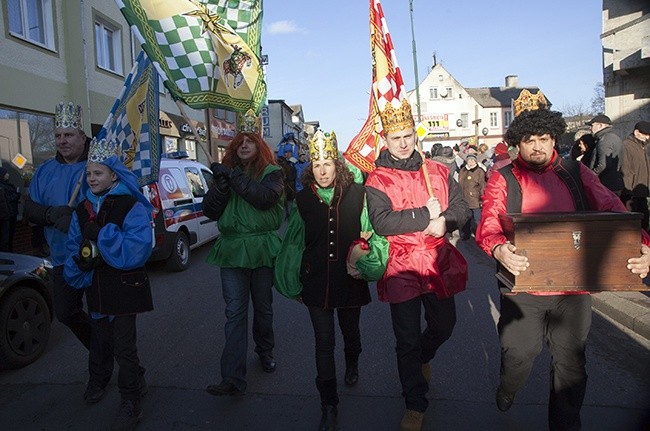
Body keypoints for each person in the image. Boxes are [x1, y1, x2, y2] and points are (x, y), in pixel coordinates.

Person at [476, 108, 650, 431]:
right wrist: (499, 247)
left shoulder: (577, 172)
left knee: (571, 368)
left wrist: (643, 243)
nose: (538, 147)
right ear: (518, 143)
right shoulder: (503, 178)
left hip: (572, 288)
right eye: (529, 140)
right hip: (523, 287)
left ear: (554, 137)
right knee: (519, 355)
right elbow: (488, 221)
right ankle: (508, 386)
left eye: (544, 139)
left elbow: (612, 207)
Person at [364, 98, 471, 431]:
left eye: (408, 135)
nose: (403, 143)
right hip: (402, 267)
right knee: (406, 339)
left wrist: (447, 221)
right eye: (396, 138)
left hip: (437, 260)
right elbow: (382, 223)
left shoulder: (438, 171)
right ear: (385, 139)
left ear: (415, 134)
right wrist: (427, 214)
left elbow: (462, 209)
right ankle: (414, 402)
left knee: (445, 325)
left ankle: (425, 356)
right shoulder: (377, 180)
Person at [275, 130, 387, 431]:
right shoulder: (301, 199)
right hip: (315, 281)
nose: (323, 170)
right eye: (317, 164)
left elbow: (371, 234)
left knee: (351, 334)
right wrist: (291, 280)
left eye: (328, 162)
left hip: (350, 280)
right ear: (310, 167)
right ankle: (328, 403)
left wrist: (367, 259)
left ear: (337, 165)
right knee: (323, 344)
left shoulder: (358, 195)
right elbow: (295, 243)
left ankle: (352, 362)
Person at [64, 138, 153, 431]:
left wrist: (102, 235)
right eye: (88, 174)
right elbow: (73, 245)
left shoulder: (130, 205)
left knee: (124, 347)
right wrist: (80, 262)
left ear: (113, 174)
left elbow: (137, 249)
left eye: (98, 173)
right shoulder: (82, 208)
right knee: (103, 342)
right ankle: (116, 380)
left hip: (125, 289)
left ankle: (131, 401)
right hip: (98, 288)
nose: (92, 178)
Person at [203, 110, 284, 397]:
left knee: (263, 308)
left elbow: (264, 199)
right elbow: (210, 210)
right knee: (234, 313)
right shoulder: (227, 175)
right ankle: (232, 377)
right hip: (232, 250)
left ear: (259, 145)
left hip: (261, 249)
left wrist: (233, 177)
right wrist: (221, 187)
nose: (245, 145)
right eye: (240, 142)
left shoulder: (273, 173)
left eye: (250, 141)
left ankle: (265, 350)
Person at [24, 102, 92, 349]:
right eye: (58, 136)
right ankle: (101, 347)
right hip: (62, 259)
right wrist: (52, 214)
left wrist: (75, 219)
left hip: (95, 257)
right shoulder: (44, 171)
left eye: (69, 135)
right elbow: (29, 209)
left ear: (82, 138)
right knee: (65, 313)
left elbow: (111, 207)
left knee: (103, 315)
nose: (62, 141)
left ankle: (105, 369)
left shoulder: (95, 168)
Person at [620, 121, 650, 230]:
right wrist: (628, 196)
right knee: (636, 226)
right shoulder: (627, 146)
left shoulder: (642, 147)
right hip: (633, 193)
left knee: (644, 222)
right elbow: (626, 171)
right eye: (645, 134)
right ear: (637, 132)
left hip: (641, 192)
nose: (647, 138)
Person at [586, 114, 625, 195]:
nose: (590, 128)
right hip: (614, 183)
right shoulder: (614, 137)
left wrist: (591, 176)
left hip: (606, 185)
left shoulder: (605, 140)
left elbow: (603, 164)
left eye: (592, 125)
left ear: (600, 125)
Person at [458, 154, 486, 240]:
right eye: (469, 160)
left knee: (477, 219)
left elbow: (482, 186)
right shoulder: (463, 170)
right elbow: (459, 183)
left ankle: (479, 235)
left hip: (475, 199)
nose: (470, 162)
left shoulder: (479, 171)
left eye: (472, 160)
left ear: (475, 161)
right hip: (464, 198)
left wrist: (482, 199)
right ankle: (465, 235)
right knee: (465, 219)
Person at [0, 167, 20, 252]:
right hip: (5, 215)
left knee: (10, 236)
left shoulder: (8, 185)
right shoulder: (2, 187)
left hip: (11, 213)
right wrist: (16, 195)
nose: (8, 175)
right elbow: (6, 199)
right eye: (6, 173)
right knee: (5, 238)